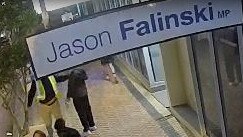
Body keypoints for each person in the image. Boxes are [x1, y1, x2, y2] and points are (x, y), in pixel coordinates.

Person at [66, 69, 96, 137]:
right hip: (84, 93)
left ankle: (86, 129)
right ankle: (92, 125)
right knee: (88, 109)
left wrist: (68, 96)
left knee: (81, 112)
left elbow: (71, 86)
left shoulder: (73, 73)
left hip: (77, 96)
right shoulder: (81, 70)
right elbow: (86, 77)